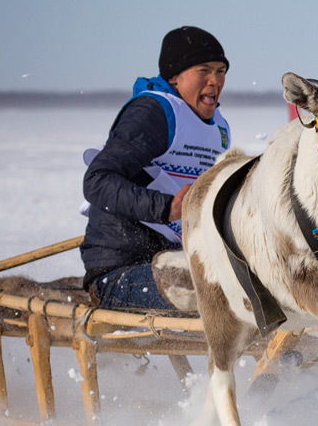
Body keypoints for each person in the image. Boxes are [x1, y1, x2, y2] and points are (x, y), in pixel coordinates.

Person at [81, 26, 231, 309]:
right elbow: (98, 180)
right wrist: (167, 208)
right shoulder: (154, 112)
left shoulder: (219, 128)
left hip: (177, 263)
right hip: (120, 272)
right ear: (174, 76)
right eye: (204, 70)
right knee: (224, 291)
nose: (215, 81)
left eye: (221, 71)